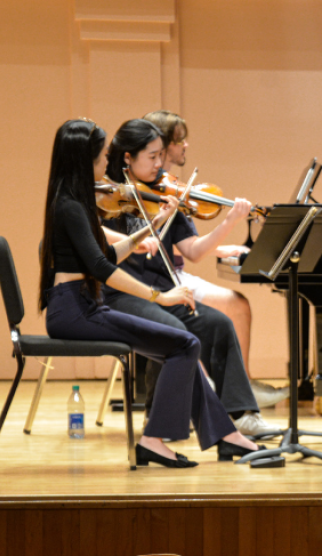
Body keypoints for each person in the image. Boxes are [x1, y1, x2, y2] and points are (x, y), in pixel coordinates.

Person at [39, 119, 262, 467]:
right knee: (183, 342)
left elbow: (109, 255)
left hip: (81, 307)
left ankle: (224, 435)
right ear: (85, 160)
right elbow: (103, 269)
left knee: (183, 344)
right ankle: (154, 439)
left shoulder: (72, 201)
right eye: (101, 158)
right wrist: (160, 297)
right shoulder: (71, 205)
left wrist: (153, 226)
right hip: (76, 311)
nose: (105, 165)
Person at [101, 119, 276, 437]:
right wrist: (150, 227)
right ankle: (162, 420)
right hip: (123, 292)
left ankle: (241, 415)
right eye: (152, 156)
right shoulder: (105, 195)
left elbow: (193, 250)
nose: (159, 164)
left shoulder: (165, 193)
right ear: (127, 157)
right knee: (174, 330)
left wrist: (230, 222)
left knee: (219, 324)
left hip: (163, 289)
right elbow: (107, 245)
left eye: (160, 155)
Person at [140, 110, 288, 408]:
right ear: (163, 144)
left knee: (235, 305)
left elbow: (189, 248)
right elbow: (175, 249)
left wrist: (227, 227)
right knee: (234, 305)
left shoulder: (175, 189)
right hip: (151, 281)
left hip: (174, 274)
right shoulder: (136, 189)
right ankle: (232, 386)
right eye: (181, 140)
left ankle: (235, 386)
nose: (186, 146)